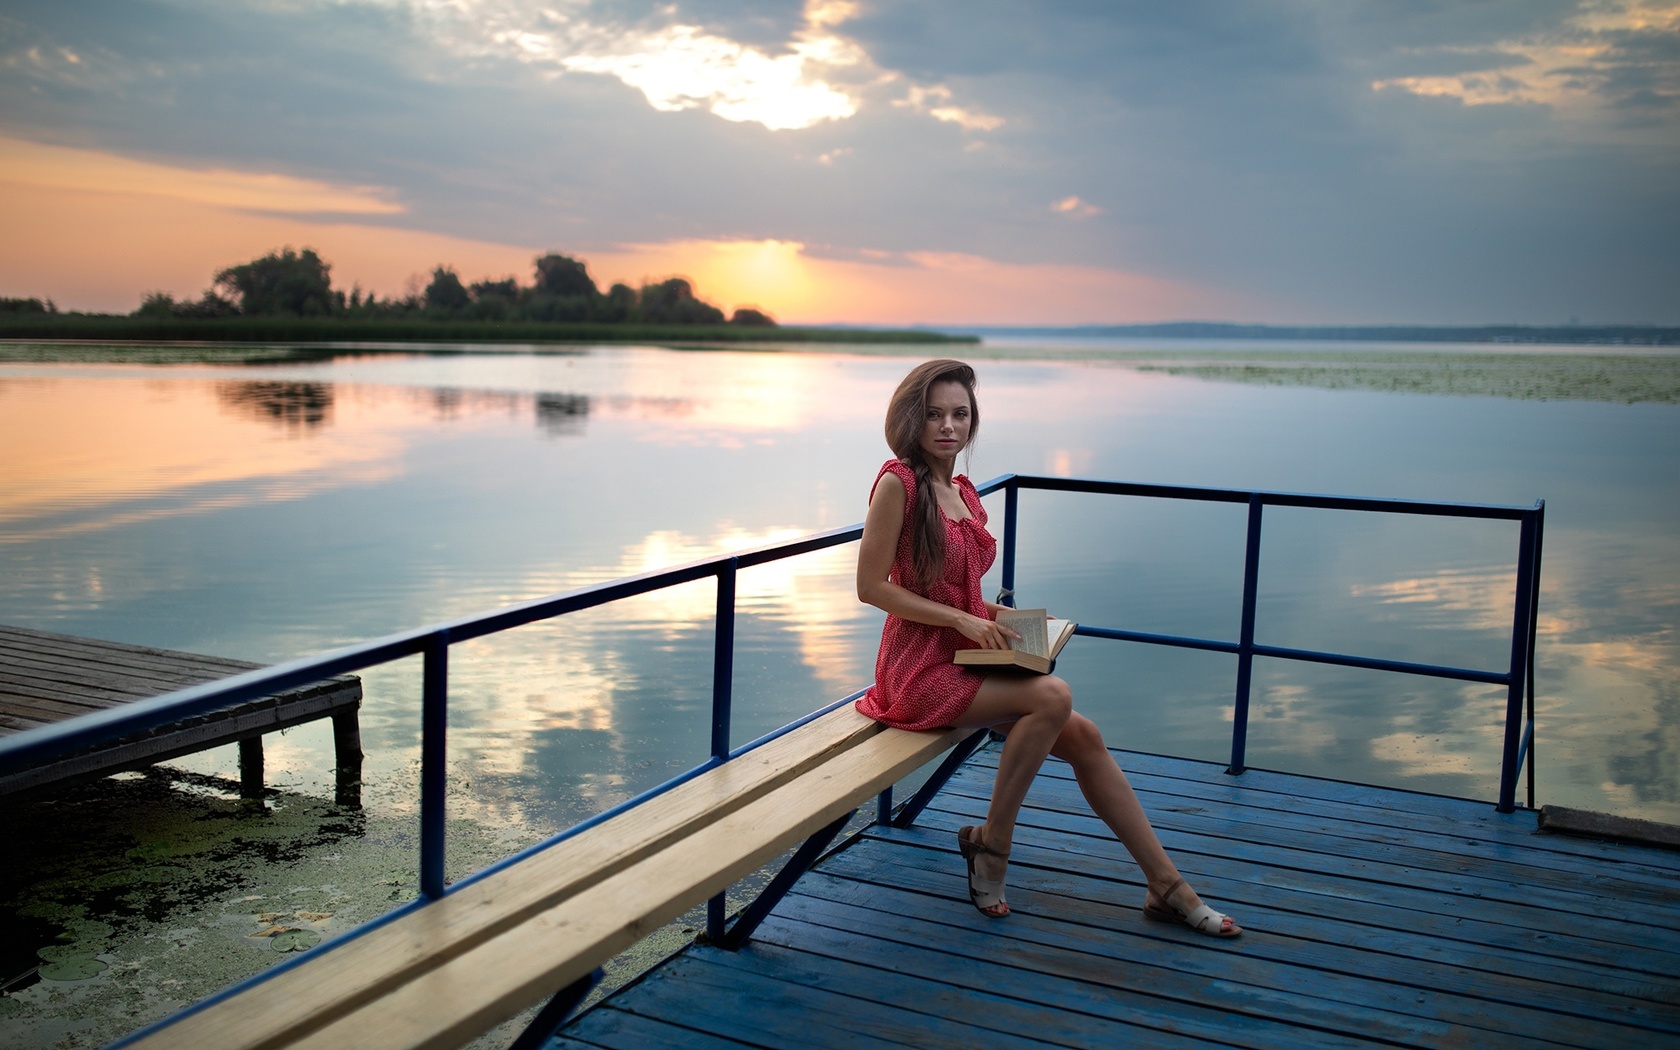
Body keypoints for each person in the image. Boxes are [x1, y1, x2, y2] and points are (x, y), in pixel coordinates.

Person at [854, 359, 1240, 936]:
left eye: (960, 414)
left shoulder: (961, 491)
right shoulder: (898, 483)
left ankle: (1166, 885)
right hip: (916, 669)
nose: (947, 426)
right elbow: (872, 587)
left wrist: (1004, 617)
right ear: (911, 419)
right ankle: (993, 845)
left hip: (960, 654)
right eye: (934, 414)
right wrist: (962, 618)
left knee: (1084, 737)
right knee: (1051, 695)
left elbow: (958, 591)